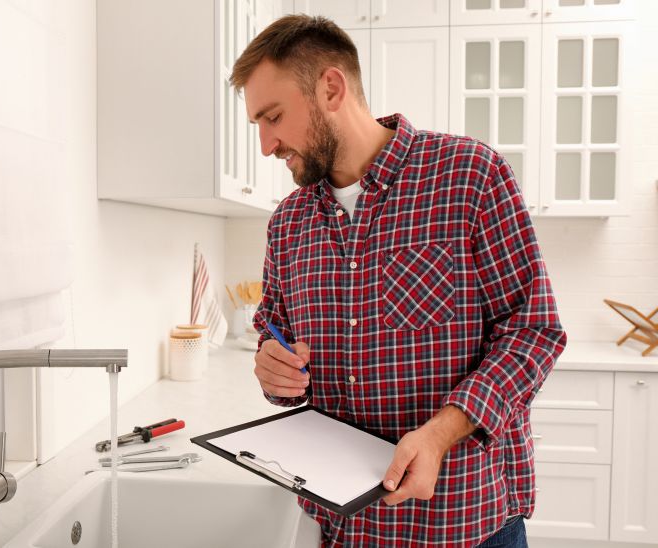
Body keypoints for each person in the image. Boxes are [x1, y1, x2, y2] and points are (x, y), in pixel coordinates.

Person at [231, 14, 567, 548]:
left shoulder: (469, 176)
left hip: (465, 522)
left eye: (273, 116)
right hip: (344, 529)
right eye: (257, 126)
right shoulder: (288, 223)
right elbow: (274, 330)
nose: (267, 144)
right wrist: (272, 368)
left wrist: (440, 433)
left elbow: (534, 331)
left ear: (332, 88)